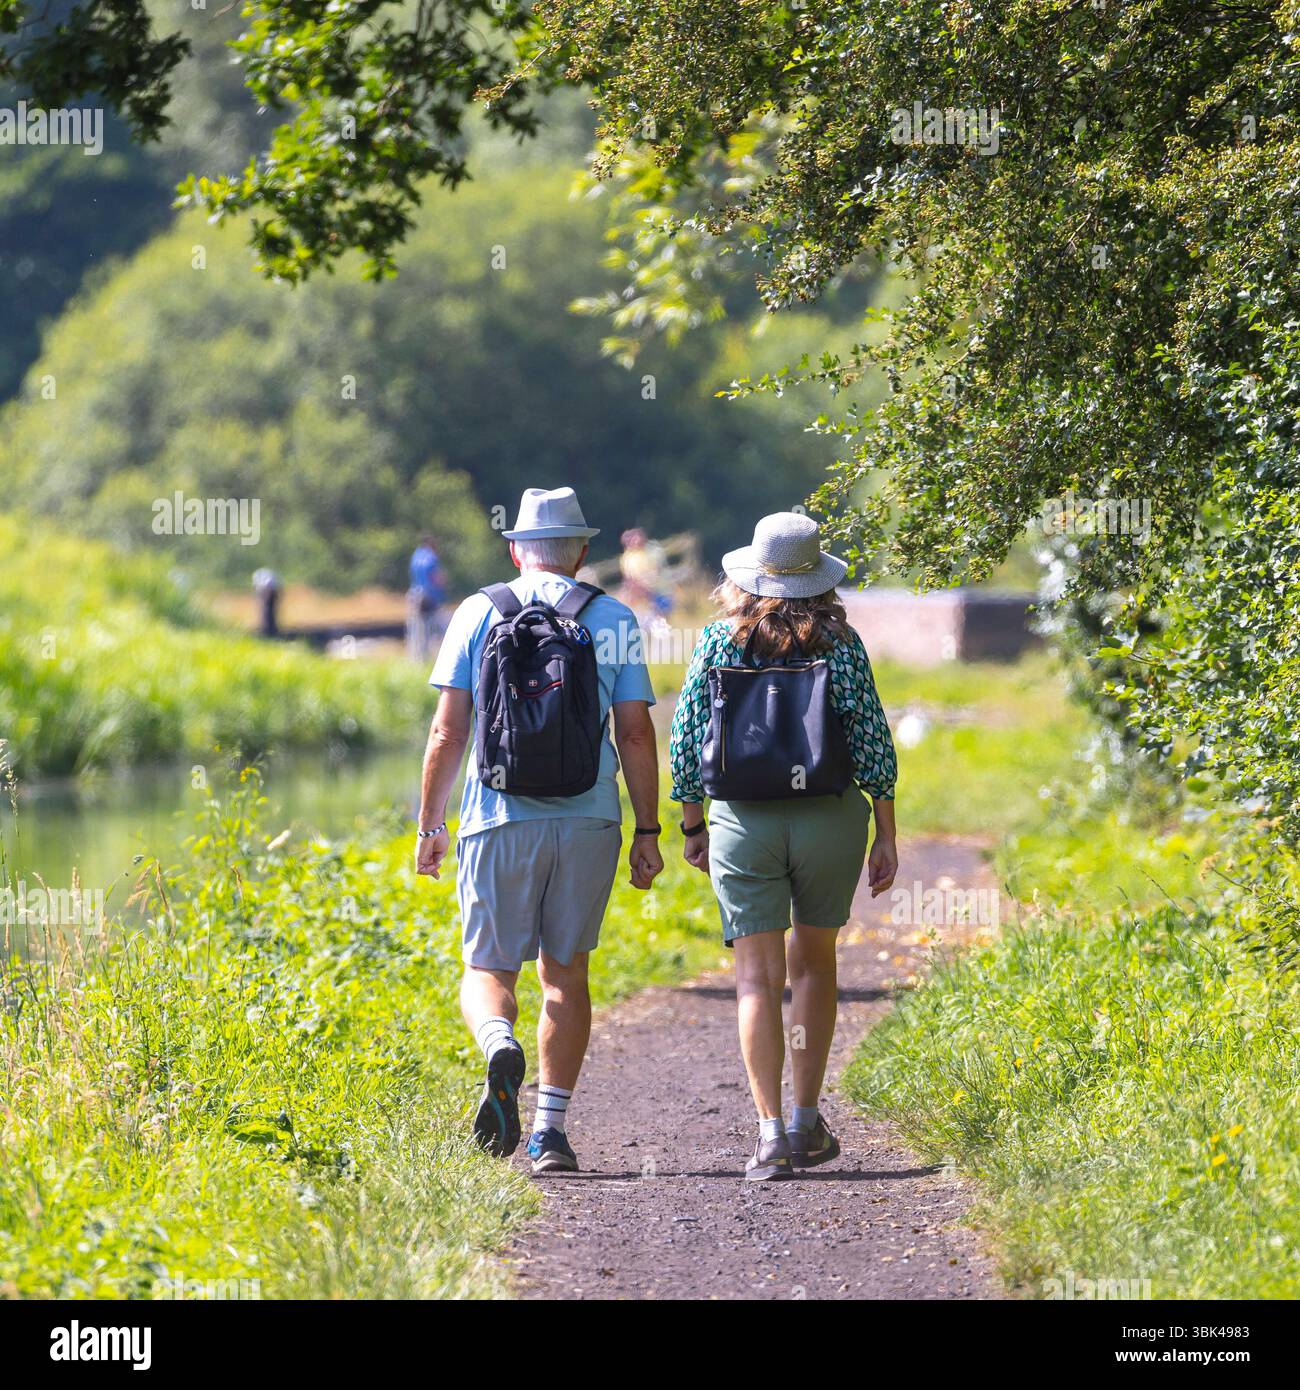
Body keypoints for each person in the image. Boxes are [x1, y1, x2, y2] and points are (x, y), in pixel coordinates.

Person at [415, 487, 664, 1174]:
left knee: (488, 969)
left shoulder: (476, 611)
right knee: (566, 975)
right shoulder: (613, 616)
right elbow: (636, 732)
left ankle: (500, 1042)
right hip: (589, 820)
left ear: (516, 548)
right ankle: (549, 1133)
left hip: (498, 817)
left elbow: (448, 730)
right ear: (583, 552)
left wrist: (430, 822)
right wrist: (649, 829)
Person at [668, 511, 898, 1181]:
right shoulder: (842, 644)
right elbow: (872, 742)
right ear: (818, 578)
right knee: (814, 967)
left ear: (751, 577)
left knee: (755, 979)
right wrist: (885, 832)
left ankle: (767, 1135)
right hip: (828, 819)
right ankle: (804, 1121)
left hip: (745, 820)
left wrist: (691, 825)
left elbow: (685, 742)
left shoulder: (716, 641)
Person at [407, 535, 446, 662]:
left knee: (416, 630)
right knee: (431, 628)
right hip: (429, 597)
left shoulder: (416, 556)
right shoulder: (431, 557)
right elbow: (435, 578)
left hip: (414, 595)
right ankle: (430, 658)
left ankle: (416, 658)